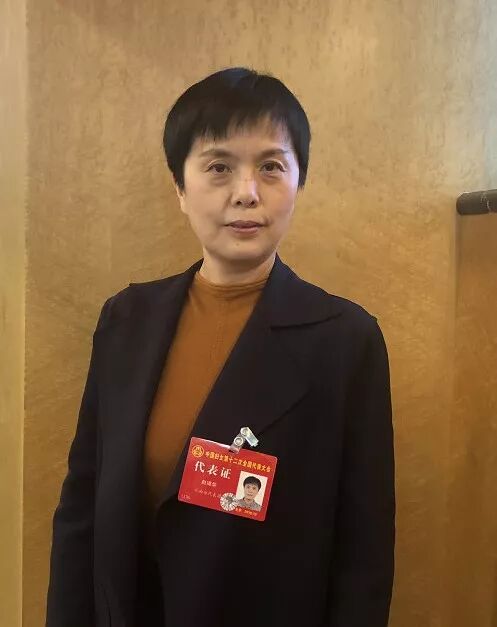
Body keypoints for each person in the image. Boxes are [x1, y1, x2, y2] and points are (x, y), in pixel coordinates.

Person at [46, 66, 395, 627]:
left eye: (271, 166)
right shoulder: (126, 320)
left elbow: (364, 554)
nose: (246, 193)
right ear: (180, 188)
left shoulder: (345, 341)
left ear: (300, 182)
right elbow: (81, 507)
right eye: (218, 167)